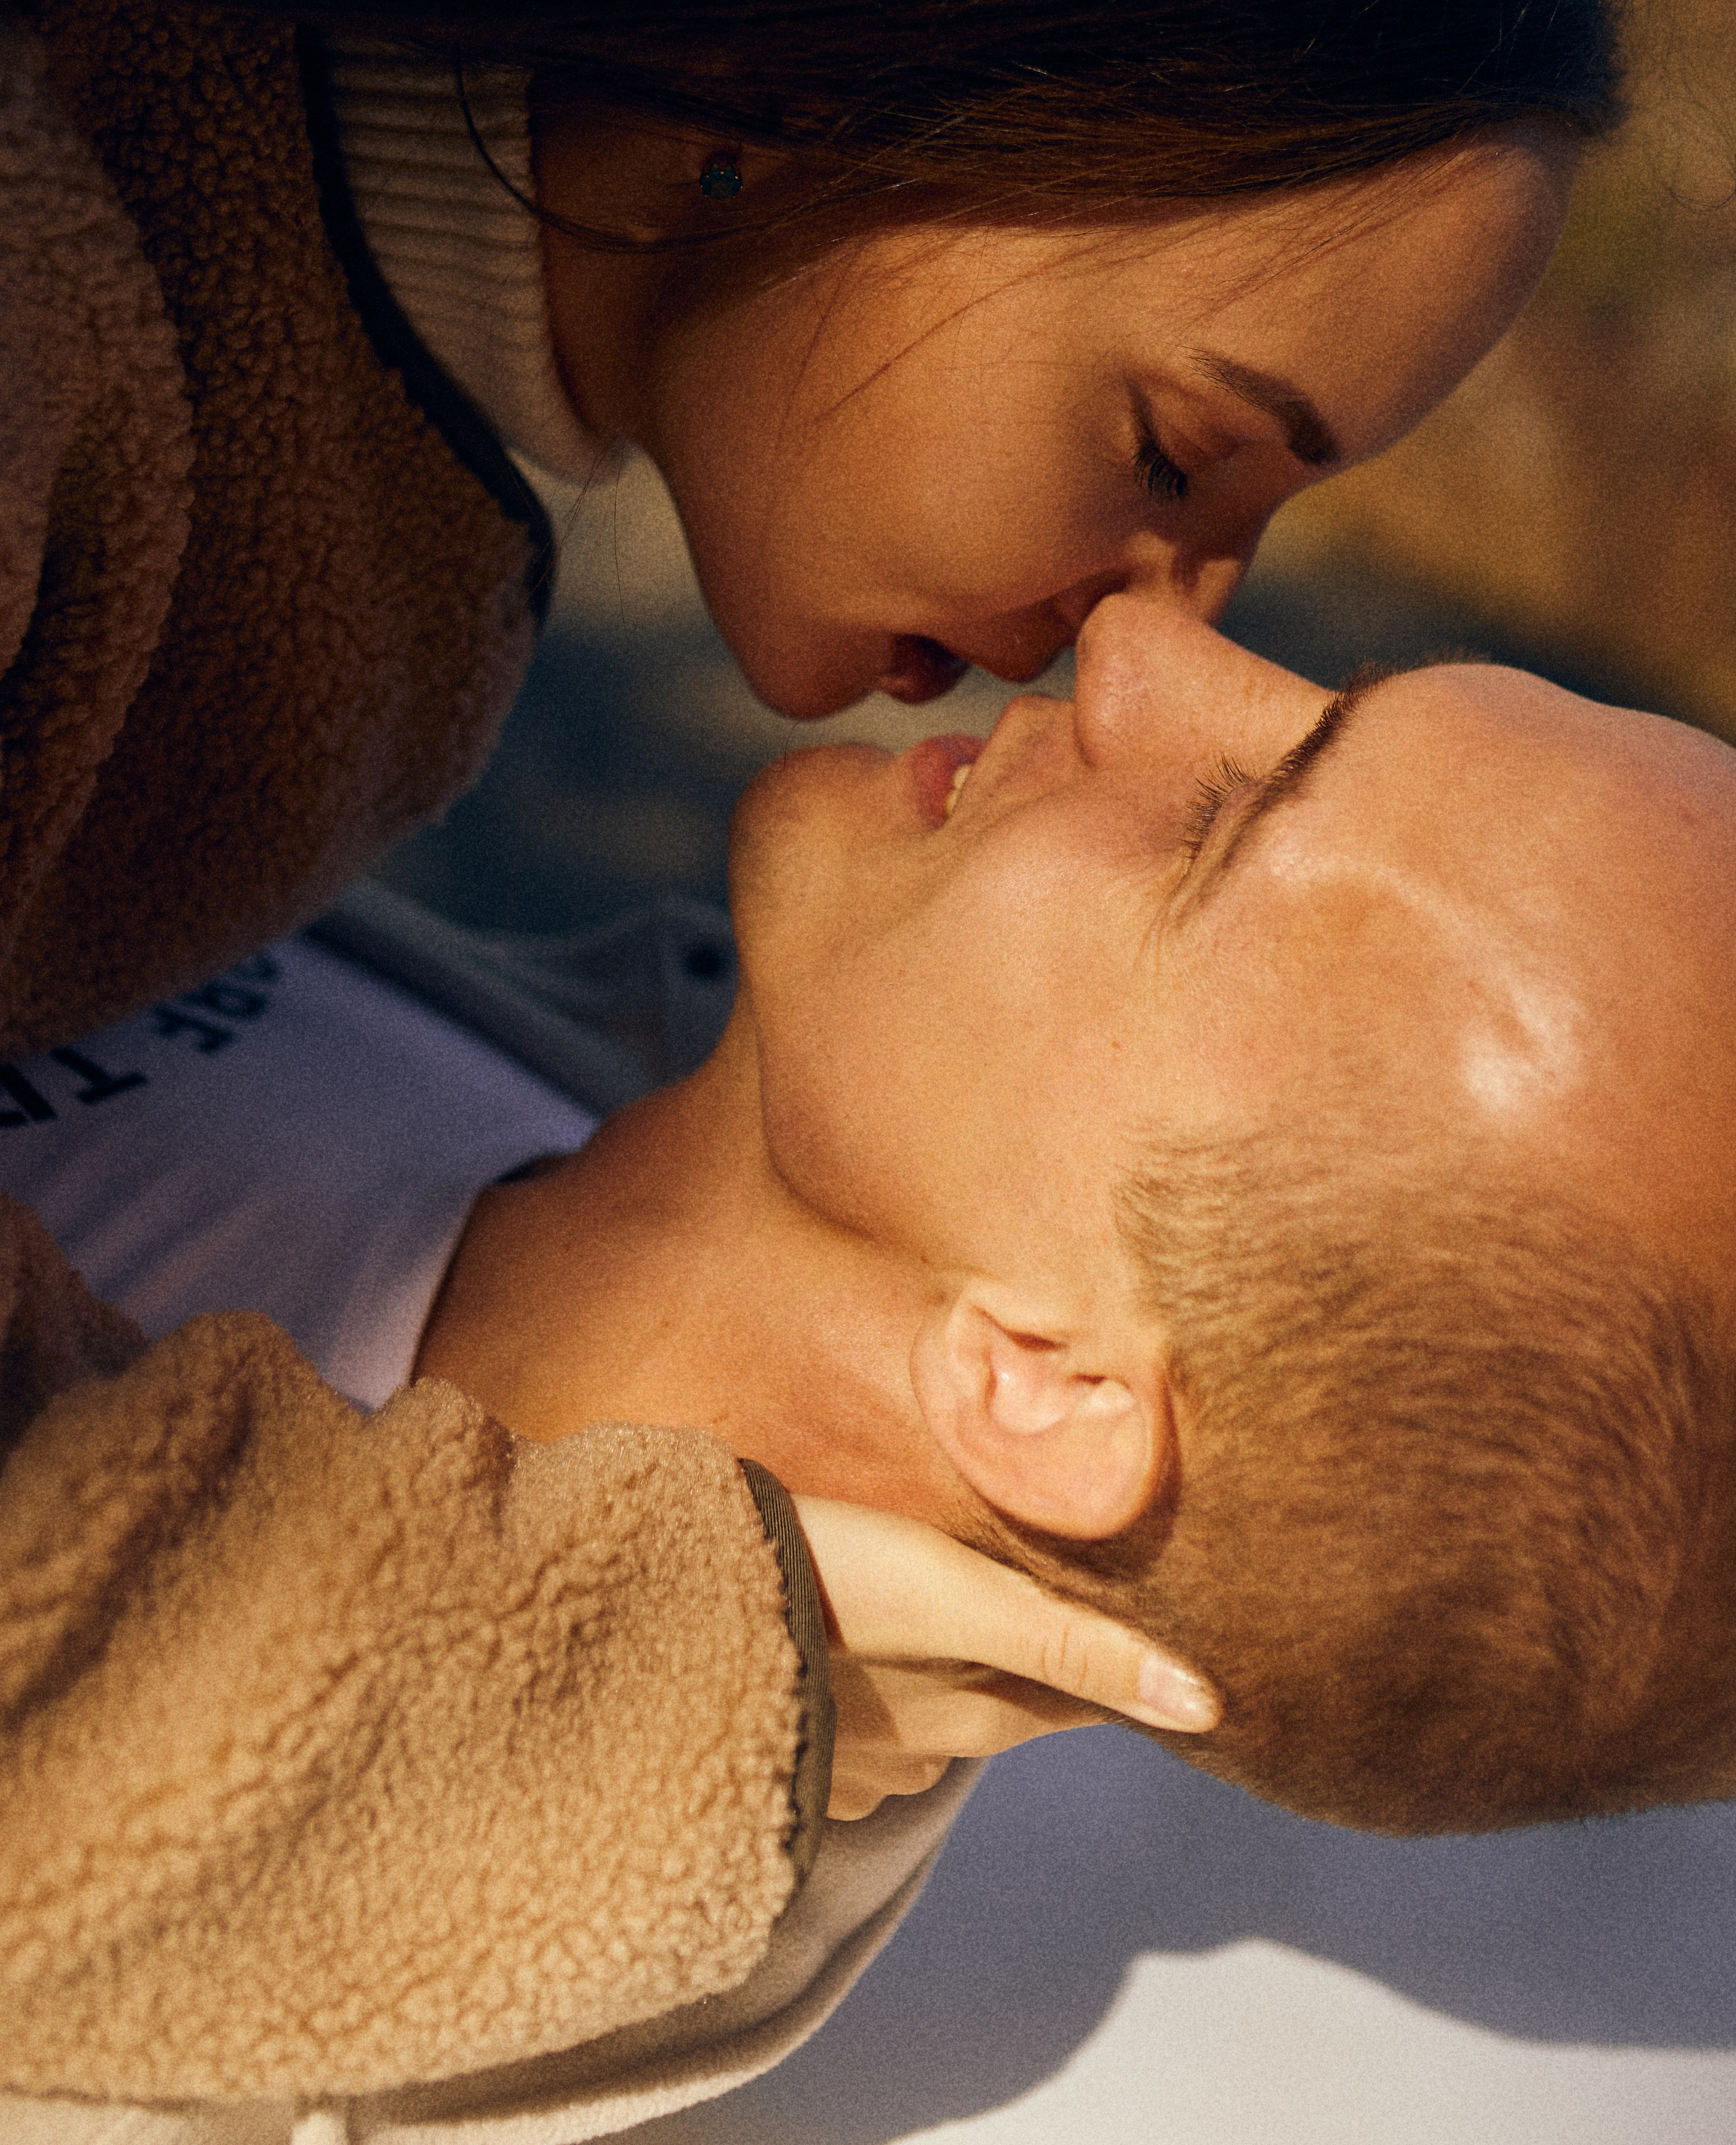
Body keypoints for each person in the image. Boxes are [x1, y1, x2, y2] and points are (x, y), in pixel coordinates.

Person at [0, 0, 1621, 2101]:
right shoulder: (57, 289)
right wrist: (678, 1696)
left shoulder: (377, 497)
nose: (1152, 633)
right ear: (834, 39)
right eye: (1174, 448)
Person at [5, 587, 1735, 2145]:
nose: (1136, 640)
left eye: (1215, 827)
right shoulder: (532, 1024)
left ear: (1046, 1382)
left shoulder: (191, 1943)